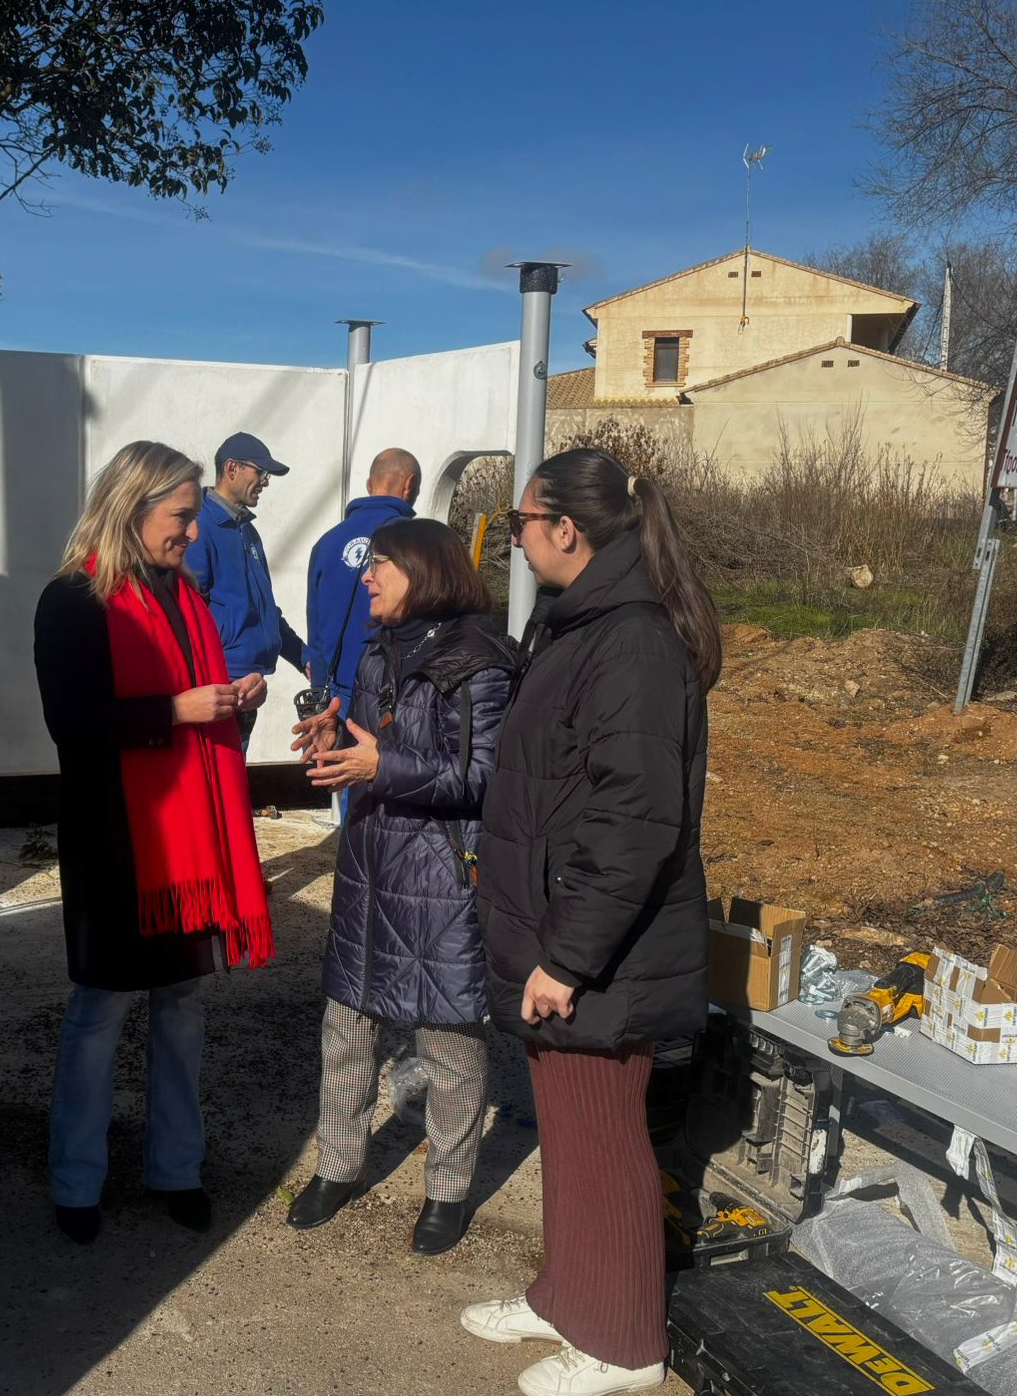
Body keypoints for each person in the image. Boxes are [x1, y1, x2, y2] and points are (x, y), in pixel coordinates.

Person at [459, 449, 721, 1396]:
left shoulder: (632, 641)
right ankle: (566, 1295)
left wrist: (567, 959)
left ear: (565, 529)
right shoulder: (579, 624)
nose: (514, 542)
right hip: (556, 928)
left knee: (604, 1139)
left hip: (602, 950)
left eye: (521, 523)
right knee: (568, 1133)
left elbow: (634, 818)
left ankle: (621, 1343)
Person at [32, 440, 275, 1247]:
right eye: (181, 516)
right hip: (114, 838)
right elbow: (72, 726)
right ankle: (76, 1181)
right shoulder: (73, 600)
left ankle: (176, 1168)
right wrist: (175, 711)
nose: (193, 533)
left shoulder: (183, 596)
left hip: (184, 844)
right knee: (99, 1008)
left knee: (180, 1004)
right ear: (131, 508)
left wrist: (231, 697)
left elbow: (193, 698)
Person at [286, 518, 519, 1257]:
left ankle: (447, 1190)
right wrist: (336, 741)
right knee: (347, 1029)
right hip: (370, 864)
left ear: (423, 571)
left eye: (380, 564)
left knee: (449, 1042)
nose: (366, 576)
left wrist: (379, 767)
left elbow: (482, 779)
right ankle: (337, 1167)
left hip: (441, 874)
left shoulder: (482, 661)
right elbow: (372, 742)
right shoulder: (378, 649)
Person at [183, 431, 306, 752]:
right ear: (231, 469)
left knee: (233, 772)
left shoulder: (248, 532)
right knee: (217, 773)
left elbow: (266, 611)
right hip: (218, 687)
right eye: (260, 472)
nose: (265, 481)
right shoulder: (201, 527)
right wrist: (211, 680)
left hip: (245, 688)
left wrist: (302, 657)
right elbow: (190, 612)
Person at [303, 448, 421, 710]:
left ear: (369, 485)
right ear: (409, 485)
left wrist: (319, 693)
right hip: (392, 696)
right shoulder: (413, 542)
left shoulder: (326, 543)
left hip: (337, 697)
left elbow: (316, 628)